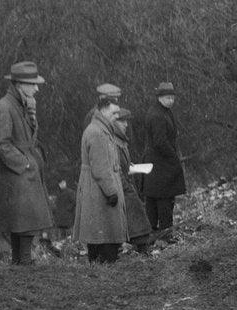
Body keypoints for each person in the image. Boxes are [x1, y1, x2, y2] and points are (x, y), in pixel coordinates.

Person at [0, 60, 53, 265]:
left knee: (24, 220)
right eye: (32, 84)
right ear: (19, 85)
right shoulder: (4, 107)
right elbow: (0, 143)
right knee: (23, 219)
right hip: (16, 173)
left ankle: (21, 262)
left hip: (23, 172)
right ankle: (23, 263)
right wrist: (25, 163)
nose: (36, 89)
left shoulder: (21, 105)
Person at [73, 96, 128, 263]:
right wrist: (111, 192)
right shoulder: (97, 132)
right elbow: (100, 168)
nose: (116, 117)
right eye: (114, 113)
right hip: (99, 191)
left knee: (100, 234)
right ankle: (103, 268)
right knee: (105, 234)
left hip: (97, 189)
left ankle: (99, 266)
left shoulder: (100, 129)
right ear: (103, 110)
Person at [142, 82, 187, 240]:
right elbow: (160, 142)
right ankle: (165, 235)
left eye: (172, 97)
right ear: (160, 98)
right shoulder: (157, 115)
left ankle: (155, 234)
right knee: (163, 200)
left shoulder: (162, 112)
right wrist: (174, 158)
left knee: (156, 199)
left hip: (157, 164)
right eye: (168, 98)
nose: (171, 100)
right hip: (160, 165)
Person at [113, 108, 151, 254]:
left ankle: (141, 248)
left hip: (127, 185)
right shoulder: (114, 142)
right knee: (135, 217)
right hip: (123, 188)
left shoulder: (121, 140)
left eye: (126, 121)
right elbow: (115, 168)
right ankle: (142, 248)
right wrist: (126, 187)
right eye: (122, 121)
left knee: (136, 218)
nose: (126, 124)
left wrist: (130, 166)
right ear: (114, 122)